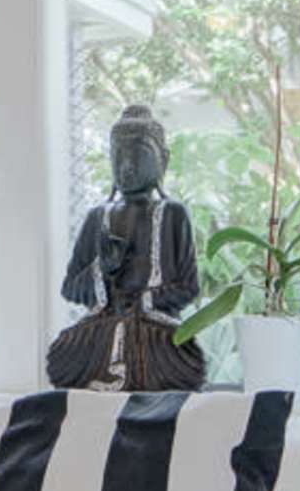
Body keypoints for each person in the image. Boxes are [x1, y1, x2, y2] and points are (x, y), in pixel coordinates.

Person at [47, 104, 204, 391]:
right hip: (102, 328)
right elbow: (70, 288)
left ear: (163, 161)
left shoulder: (173, 214)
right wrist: (102, 270)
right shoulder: (98, 217)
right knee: (63, 352)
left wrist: (143, 301)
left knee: (184, 363)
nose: (126, 167)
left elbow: (189, 287)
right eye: (118, 157)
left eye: (138, 156)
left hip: (156, 330)